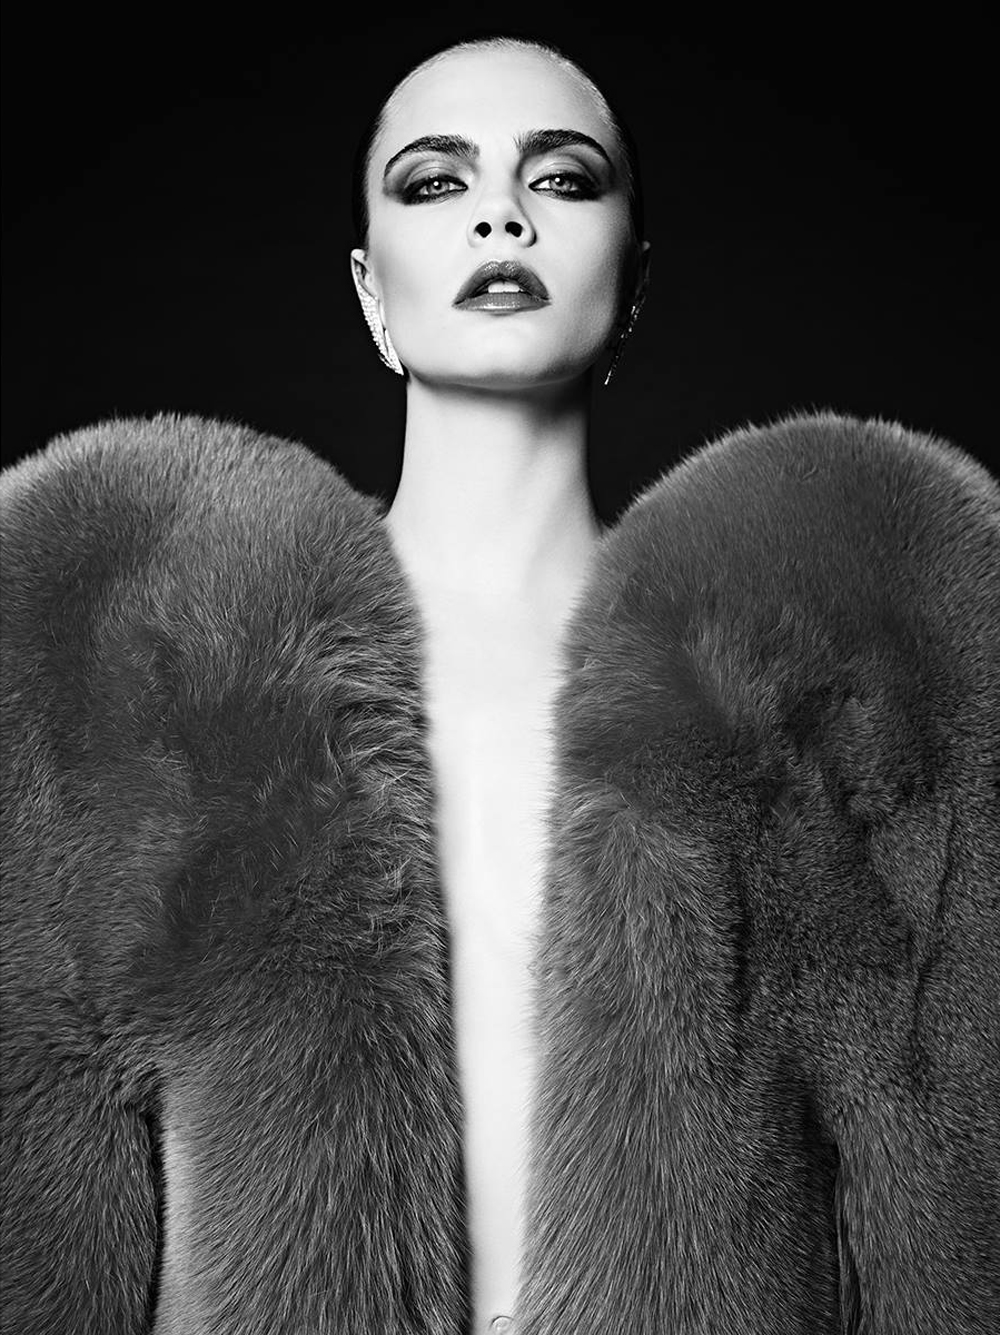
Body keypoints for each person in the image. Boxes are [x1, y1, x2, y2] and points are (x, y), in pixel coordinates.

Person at [1, 34, 997, 1335]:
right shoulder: (151, 664)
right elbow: (43, 1188)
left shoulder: (816, 681)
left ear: (632, 280)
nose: (501, 214)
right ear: (370, 292)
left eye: (563, 178)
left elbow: (941, 1202)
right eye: (434, 182)